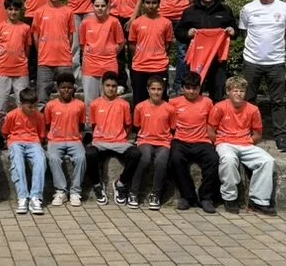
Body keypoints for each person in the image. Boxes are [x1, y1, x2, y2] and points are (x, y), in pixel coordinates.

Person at [240, 0, 286, 152]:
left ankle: (281, 138)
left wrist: (278, 48)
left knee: (278, 101)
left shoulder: (285, 8)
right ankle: (245, 133)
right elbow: (244, 33)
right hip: (252, 61)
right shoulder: (248, 8)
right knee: (248, 100)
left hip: (276, 62)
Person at [210, 76, 276, 216]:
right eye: (235, 90)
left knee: (267, 161)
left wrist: (248, 143)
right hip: (225, 142)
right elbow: (210, 130)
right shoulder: (219, 107)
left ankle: (259, 201)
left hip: (246, 143)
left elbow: (257, 133)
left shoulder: (252, 109)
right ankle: (230, 198)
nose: (238, 94)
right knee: (228, 159)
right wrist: (219, 142)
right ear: (228, 91)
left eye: (241, 91)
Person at [173, 0, 236, 102]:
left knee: (218, 91)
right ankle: (195, 120)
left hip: (218, 59)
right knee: (194, 91)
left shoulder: (225, 10)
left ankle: (215, 119)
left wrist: (232, 31)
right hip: (197, 61)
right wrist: (187, 34)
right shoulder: (189, 11)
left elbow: (235, 29)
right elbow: (178, 32)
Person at [85, 72, 140, 205]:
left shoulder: (124, 104)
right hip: (100, 142)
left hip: (119, 142)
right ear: (102, 86)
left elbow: (128, 125)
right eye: (108, 85)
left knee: (136, 154)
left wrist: (120, 137)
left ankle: (120, 183)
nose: (111, 88)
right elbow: (93, 125)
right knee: (89, 153)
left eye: (114, 86)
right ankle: (98, 185)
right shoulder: (95, 104)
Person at [169, 73, 219, 214]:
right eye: (188, 88)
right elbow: (170, 124)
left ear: (200, 88)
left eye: (194, 88)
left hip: (202, 140)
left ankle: (206, 197)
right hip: (181, 140)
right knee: (175, 159)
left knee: (213, 159)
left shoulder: (207, 102)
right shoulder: (173, 103)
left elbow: (212, 124)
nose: (191, 91)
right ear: (183, 88)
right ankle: (187, 196)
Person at [156, 0, 198, 94]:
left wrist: (185, 11)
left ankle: (179, 84)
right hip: (164, 16)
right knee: (162, 50)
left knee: (182, 52)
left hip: (181, 18)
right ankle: (162, 83)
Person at [131, 76, 176, 211]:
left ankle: (155, 194)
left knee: (161, 162)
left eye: (159, 89)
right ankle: (133, 192)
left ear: (163, 90)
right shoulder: (140, 107)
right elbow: (137, 125)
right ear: (148, 90)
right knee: (144, 158)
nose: (156, 92)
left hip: (164, 141)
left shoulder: (169, 108)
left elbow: (172, 127)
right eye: (153, 89)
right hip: (145, 140)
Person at [44, 73, 87, 207]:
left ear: (74, 88)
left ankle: (75, 191)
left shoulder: (80, 105)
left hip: (74, 139)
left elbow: (81, 125)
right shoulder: (51, 105)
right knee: (53, 158)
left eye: (69, 87)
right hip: (55, 140)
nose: (66, 90)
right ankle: (61, 191)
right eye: (63, 87)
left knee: (81, 158)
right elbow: (47, 124)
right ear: (58, 88)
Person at [104, 0, 143, 93]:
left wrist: (133, 18)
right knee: (118, 52)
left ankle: (136, 82)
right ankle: (121, 83)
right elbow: (107, 1)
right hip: (115, 18)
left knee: (133, 53)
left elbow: (139, 0)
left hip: (131, 19)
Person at [3, 87, 46, 215]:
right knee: (17, 162)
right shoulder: (12, 115)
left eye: (34, 106)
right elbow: (5, 132)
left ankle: (35, 197)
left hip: (33, 142)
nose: (33, 109)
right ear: (21, 104)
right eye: (29, 107)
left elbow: (42, 135)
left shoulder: (39, 116)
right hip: (16, 141)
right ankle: (22, 196)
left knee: (40, 160)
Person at [78, 0, 125, 107]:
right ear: (92, 6)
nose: (100, 9)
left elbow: (120, 43)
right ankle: (90, 125)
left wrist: (110, 53)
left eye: (103, 6)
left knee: (109, 101)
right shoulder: (85, 23)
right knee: (90, 102)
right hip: (90, 66)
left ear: (108, 6)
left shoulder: (114, 22)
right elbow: (82, 44)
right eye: (97, 6)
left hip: (109, 65)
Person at [33, 0, 75, 105]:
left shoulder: (68, 11)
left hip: (64, 61)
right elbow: (36, 35)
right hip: (45, 61)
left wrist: (65, 49)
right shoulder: (39, 12)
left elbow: (71, 35)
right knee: (41, 98)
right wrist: (41, 51)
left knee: (67, 97)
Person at [129, 0, 173, 108]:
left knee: (161, 102)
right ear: (143, 4)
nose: (151, 6)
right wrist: (141, 56)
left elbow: (167, 44)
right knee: (139, 102)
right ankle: (139, 126)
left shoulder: (166, 23)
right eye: (147, 2)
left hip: (159, 67)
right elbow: (132, 44)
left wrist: (158, 56)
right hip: (140, 67)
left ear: (158, 4)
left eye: (154, 2)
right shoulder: (136, 23)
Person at [0, 0, 31, 119]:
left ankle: (22, 129)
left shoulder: (25, 28)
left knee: (23, 103)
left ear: (20, 11)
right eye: (10, 9)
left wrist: (21, 59)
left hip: (21, 70)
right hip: (3, 70)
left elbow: (27, 48)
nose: (13, 12)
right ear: (6, 10)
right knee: (1, 104)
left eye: (16, 9)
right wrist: (3, 60)